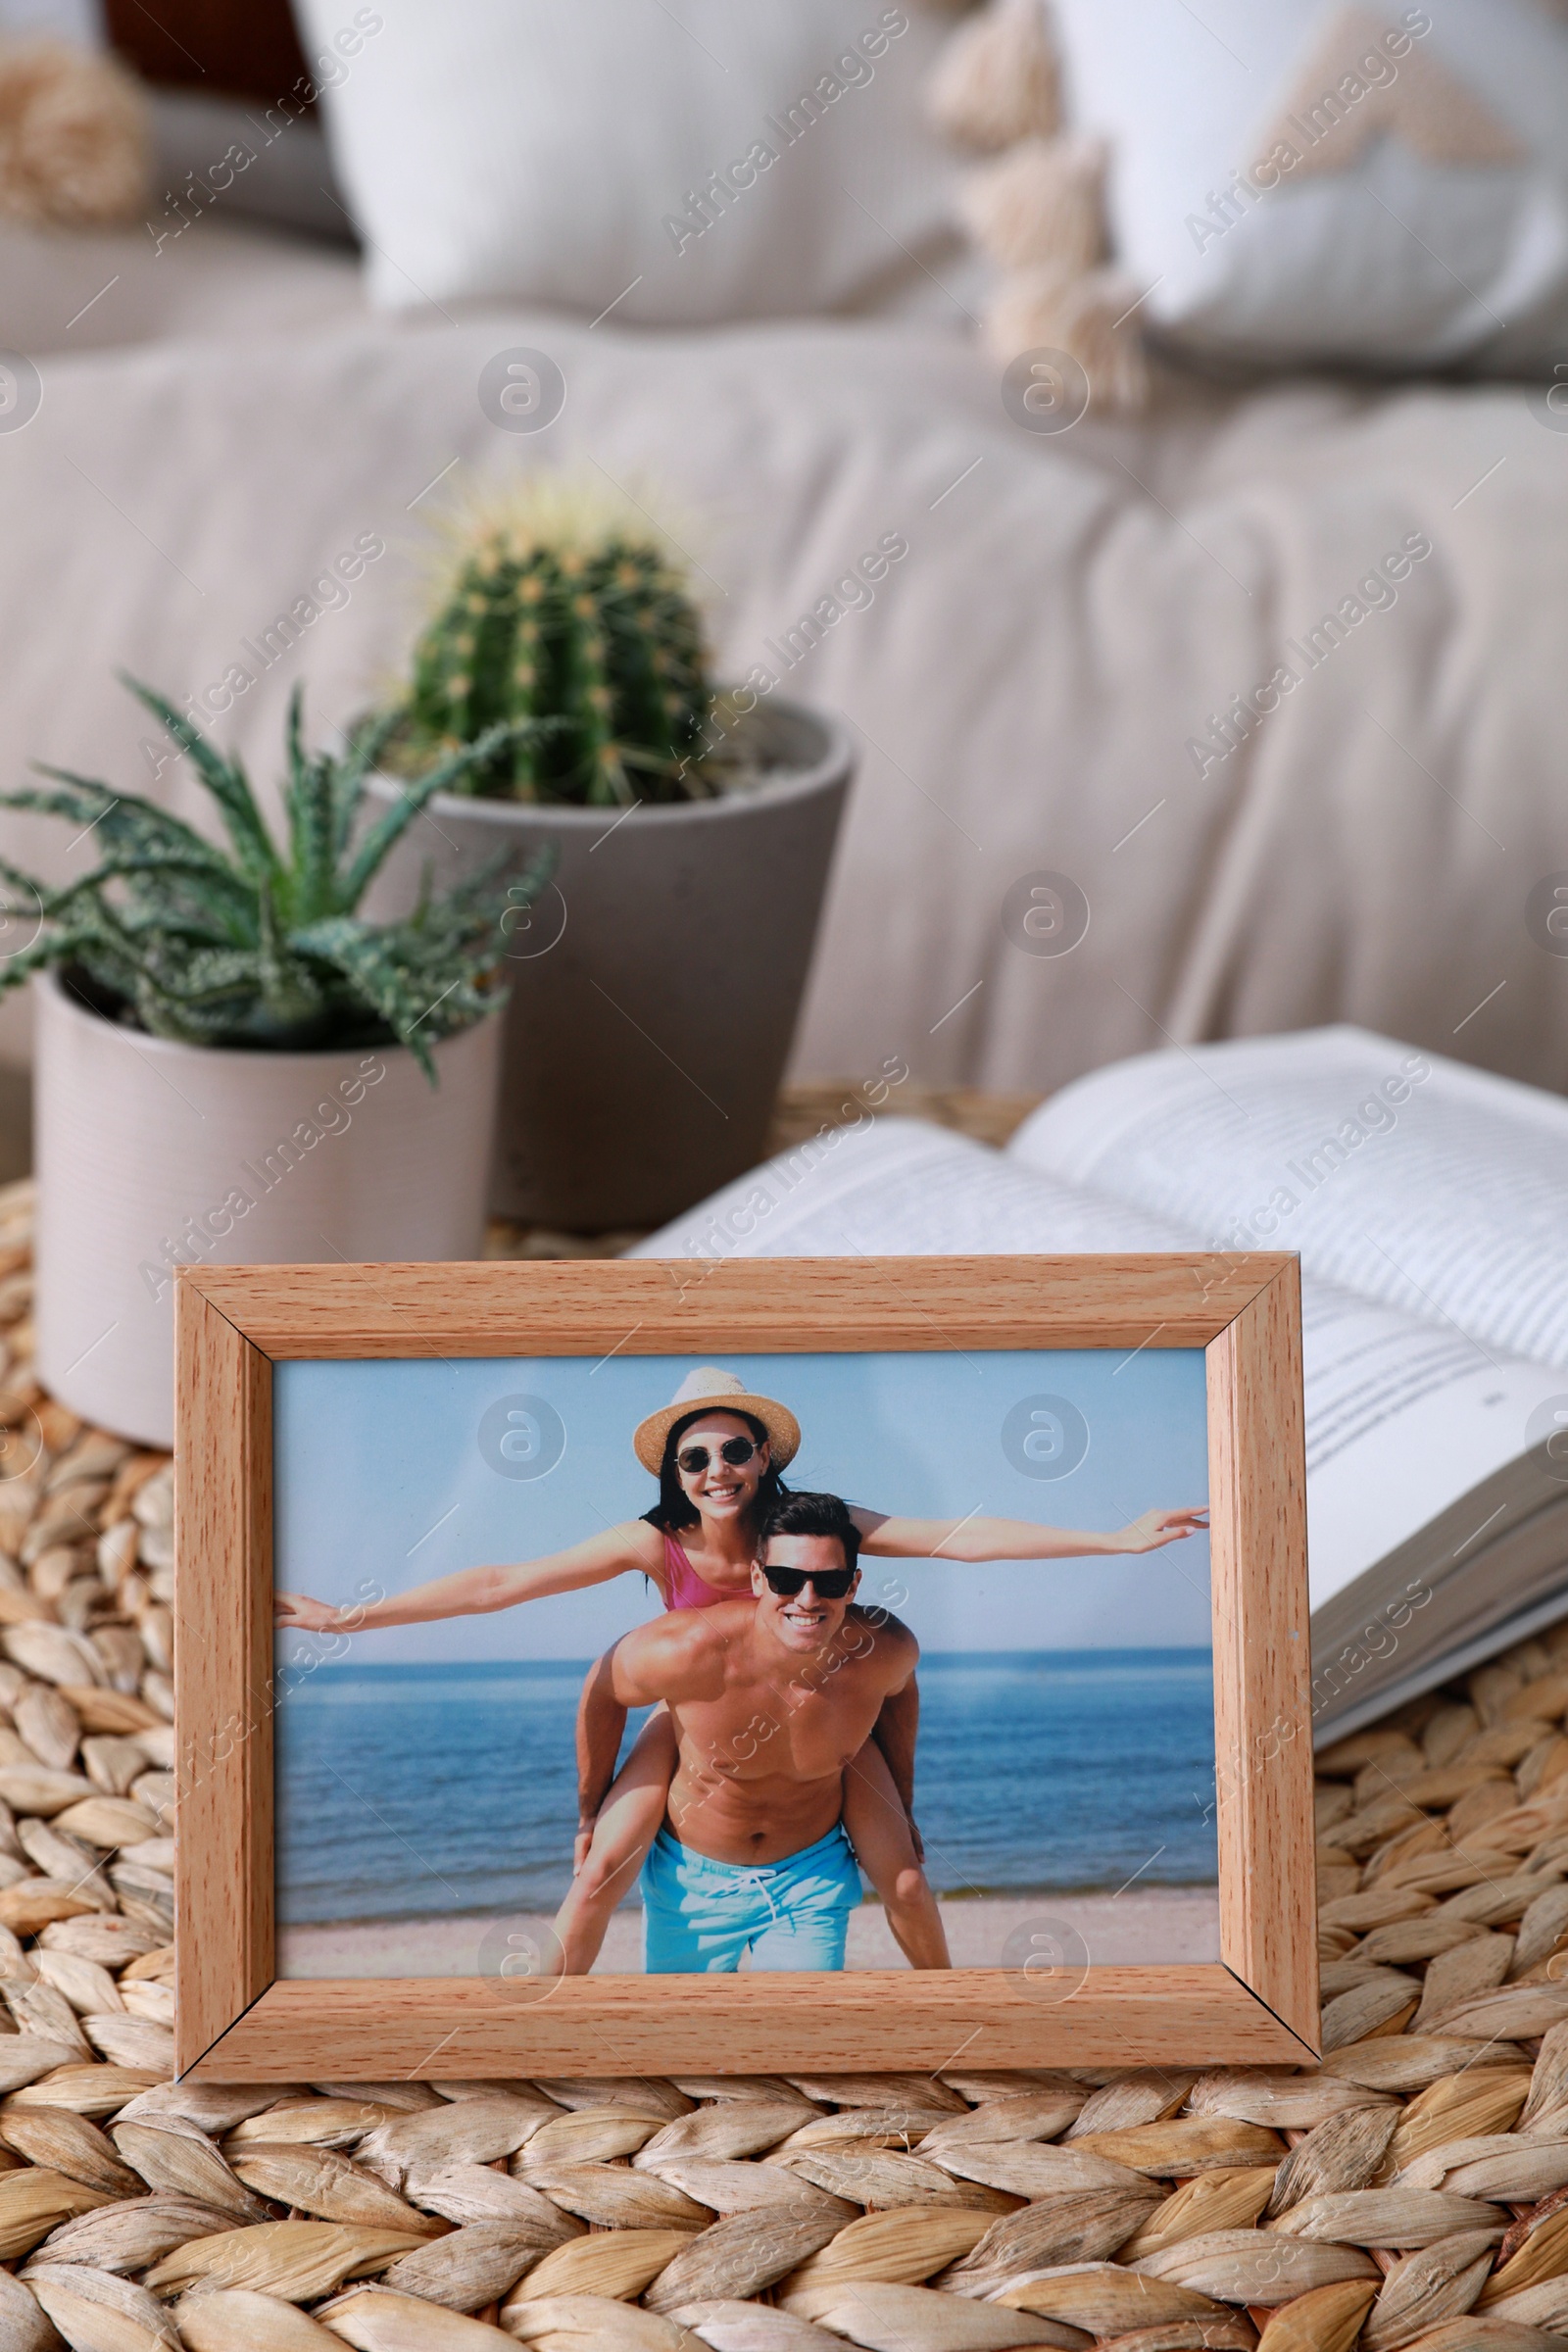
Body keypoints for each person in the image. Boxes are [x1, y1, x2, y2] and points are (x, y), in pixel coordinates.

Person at [273, 1364, 1206, 1971]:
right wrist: (356, 1614)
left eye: (733, 1449)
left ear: (764, 1457)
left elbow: (960, 1538)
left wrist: (1111, 1541)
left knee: (910, 1876)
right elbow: (503, 1582)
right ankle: (549, 2027)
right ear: (674, 1474)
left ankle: (946, 2009)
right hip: (696, 1722)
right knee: (595, 1875)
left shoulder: (811, 1532)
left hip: (821, 1718)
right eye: (694, 1457)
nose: (715, 1468)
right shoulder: (656, 1542)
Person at [605, 1491, 939, 1972]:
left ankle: (959, 2010)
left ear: (853, 1584)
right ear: (758, 1577)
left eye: (830, 1581)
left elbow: (901, 1687)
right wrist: (589, 1810)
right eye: (786, 1578)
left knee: (801, 2033)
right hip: (692, 1876)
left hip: (808, 1873)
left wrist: (903, 1804)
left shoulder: (883, 1648)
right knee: (678, 2033)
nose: (807, 1597)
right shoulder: (685, 1641)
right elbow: (602, 1690)